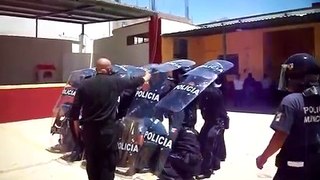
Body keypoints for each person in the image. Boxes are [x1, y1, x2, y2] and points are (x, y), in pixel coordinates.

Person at [69, 58, 151, 180]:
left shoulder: (84, 85)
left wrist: (78, 135)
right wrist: (146, 75)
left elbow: (74, 113)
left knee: (92, 163)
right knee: (107, 164)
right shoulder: (115, 82)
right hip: (108, 133)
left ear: (96, 69)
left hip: (89, 132)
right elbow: (134, 82)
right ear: (109, 69)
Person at [256, 53, 320, 180]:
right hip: (316, 161)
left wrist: (263, 157)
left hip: (293, 164)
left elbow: (280, 135)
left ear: (295, 76)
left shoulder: (291, 101)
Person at [196, 81, 229, 179]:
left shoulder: (211, 92)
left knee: (208, 144)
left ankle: (207, 170)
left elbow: (214, 109)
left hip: (216, 121)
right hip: (213, 121)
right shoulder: (213, 91)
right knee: (211, 141)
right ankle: (215, 163)